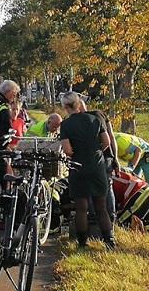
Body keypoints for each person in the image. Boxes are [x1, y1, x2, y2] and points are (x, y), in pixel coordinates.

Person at [59, 92, 115, 248]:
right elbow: (106, 142)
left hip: (78, 167)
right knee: (101, 207)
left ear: (65, 107)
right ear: (79, 104)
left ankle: (82, 242)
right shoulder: (95, 119)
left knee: (81, 208)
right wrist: (95, 151)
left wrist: (77, 153)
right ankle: (109, 240)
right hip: (97, 166)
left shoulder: (66, 125)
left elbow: (68, 150)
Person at [74, 97, 119, 222]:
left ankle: (94, 219)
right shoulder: (100, 115)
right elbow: (111, 138)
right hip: (107, 158)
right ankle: (111, 218)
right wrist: (115, 158)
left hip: (90, 160)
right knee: (107, 187)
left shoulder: (77, 121)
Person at [114, 132, 149, 217]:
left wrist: (130, 168)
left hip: (145, 154)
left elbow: (138, 151)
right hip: (133, 158)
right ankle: (135, 209)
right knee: (135, 185)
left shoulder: (120, 142)